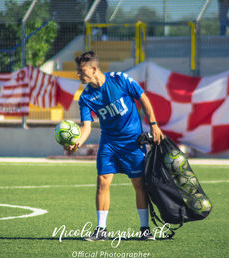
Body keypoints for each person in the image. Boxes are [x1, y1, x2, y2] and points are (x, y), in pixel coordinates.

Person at [66, 51, 164, 241]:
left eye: (81, 71)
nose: (78, 75)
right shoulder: (86, 97)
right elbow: (86, 126)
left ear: (94, 69)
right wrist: (78, 141)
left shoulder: (120, 79)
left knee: (139, 184)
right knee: (102, 181)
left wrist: (153, 124)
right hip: (109, 143)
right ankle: (101, 230)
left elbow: (143, 98)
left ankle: (145, 230)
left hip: (132, 142)